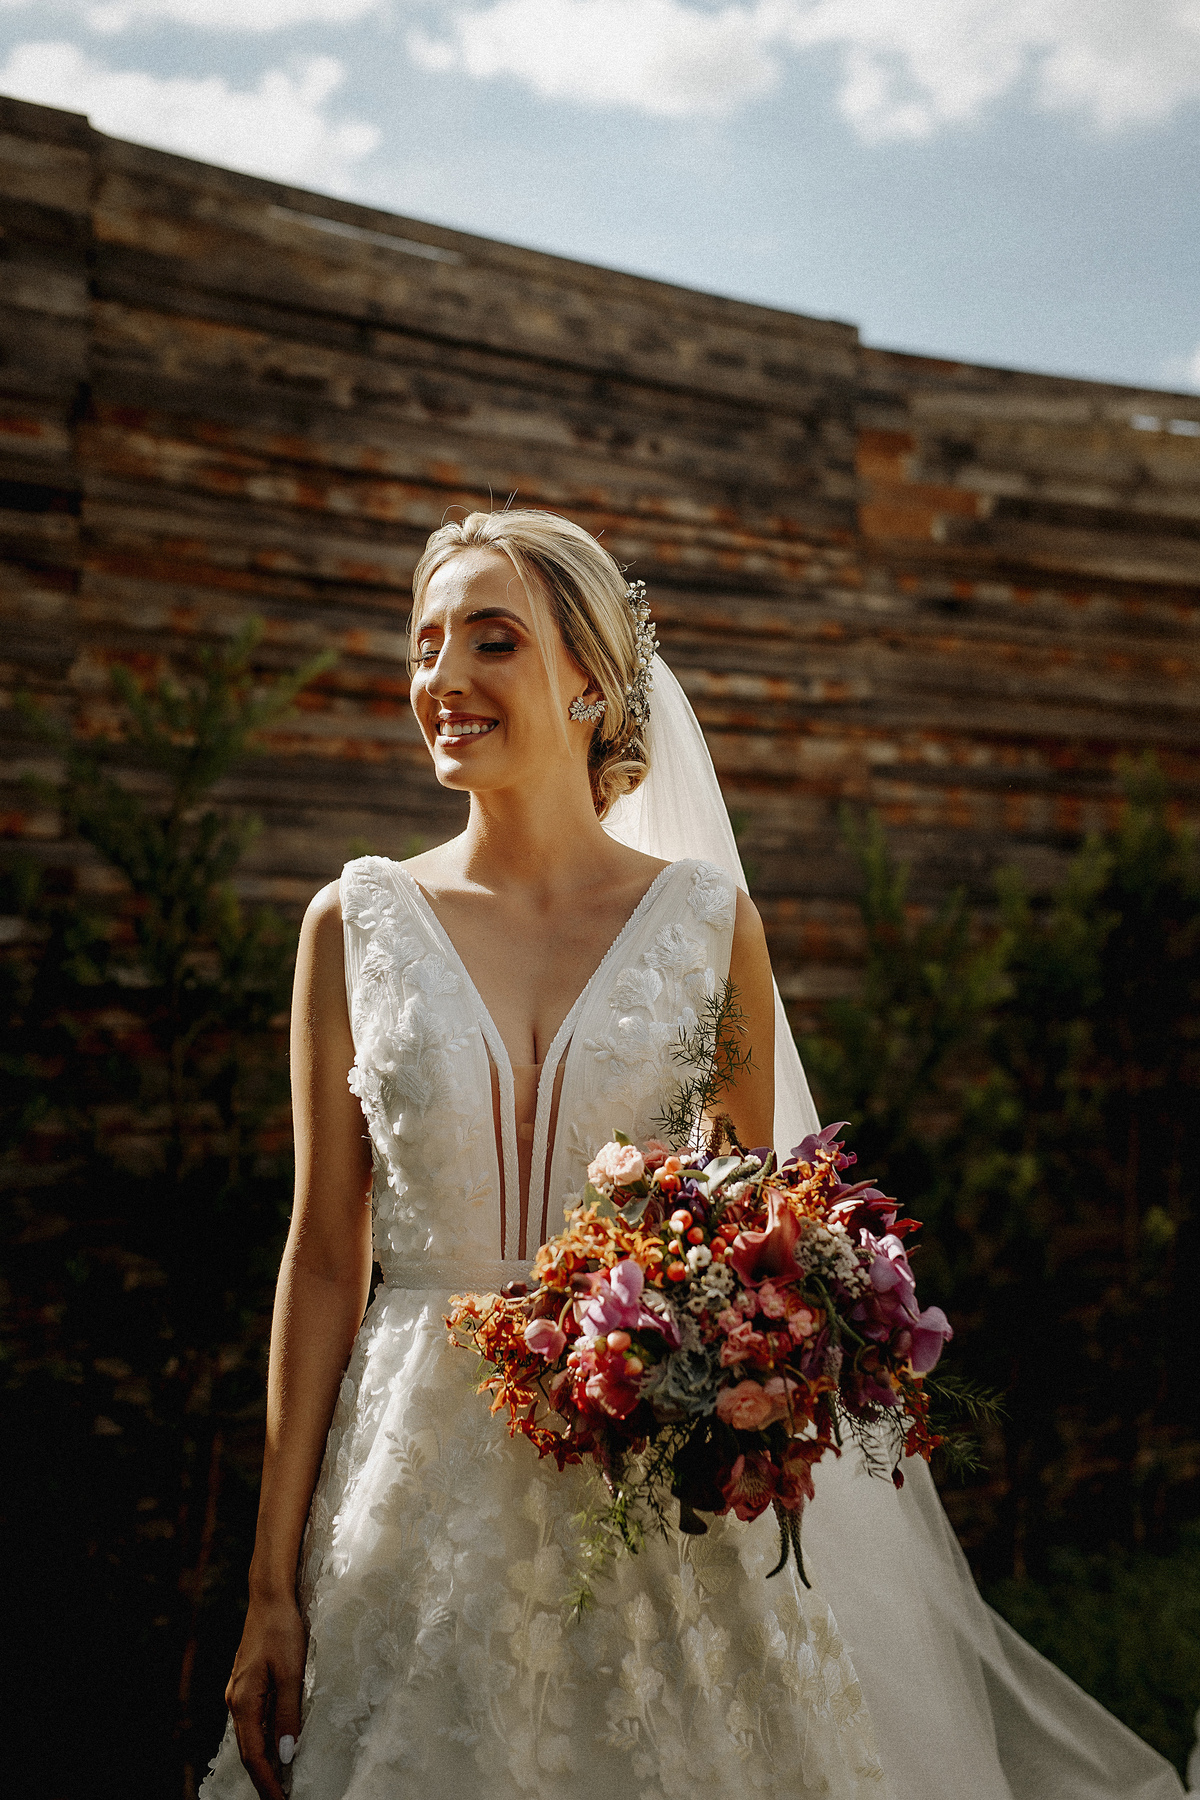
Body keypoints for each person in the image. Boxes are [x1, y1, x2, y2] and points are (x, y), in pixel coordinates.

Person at [203, 510, 1185, 1800]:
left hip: (645, 1495)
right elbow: (325, 1257)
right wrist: (271, 1588)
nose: (442, 679)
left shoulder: (707, 927)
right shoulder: (350, 924)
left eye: (492, 641)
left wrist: (756, 1351)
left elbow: (751, 1228)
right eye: (424, 643)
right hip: (405, 1508)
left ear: (590, 680)